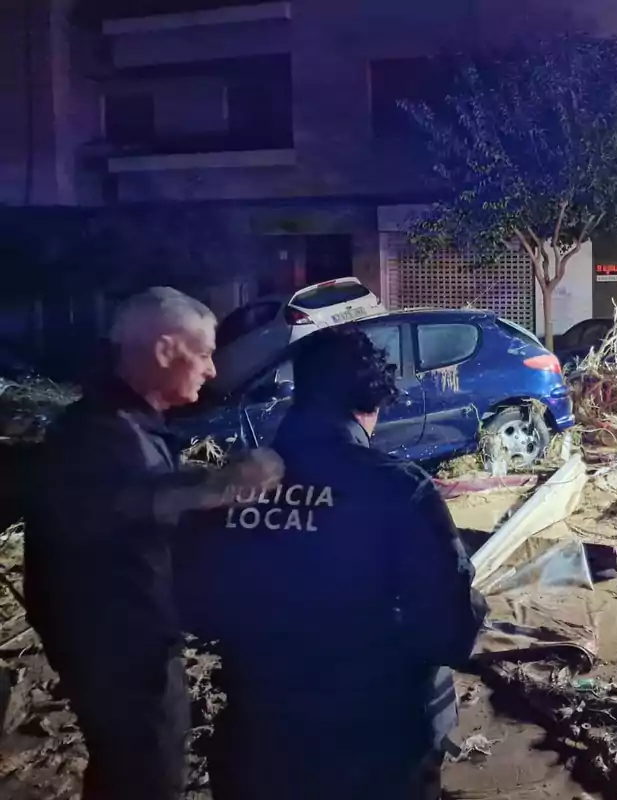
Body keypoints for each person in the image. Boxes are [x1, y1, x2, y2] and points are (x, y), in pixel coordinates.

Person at [176, 326, 488, 800]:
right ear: (370, 399)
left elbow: (193, 607)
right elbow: (449, 631)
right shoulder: (399, 488)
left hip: (261, 736)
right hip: (378, 745)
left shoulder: (231, 487)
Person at [24, 287, 283, 800]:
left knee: (129, 770)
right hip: (119, 650)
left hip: (124, 641)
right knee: (147, 777)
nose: (212, 370)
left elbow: (146, 506)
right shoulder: (98, 432)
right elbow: (116, 505)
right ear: (166, 350)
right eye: (205, 352)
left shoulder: (129, 428)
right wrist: (218, 486)